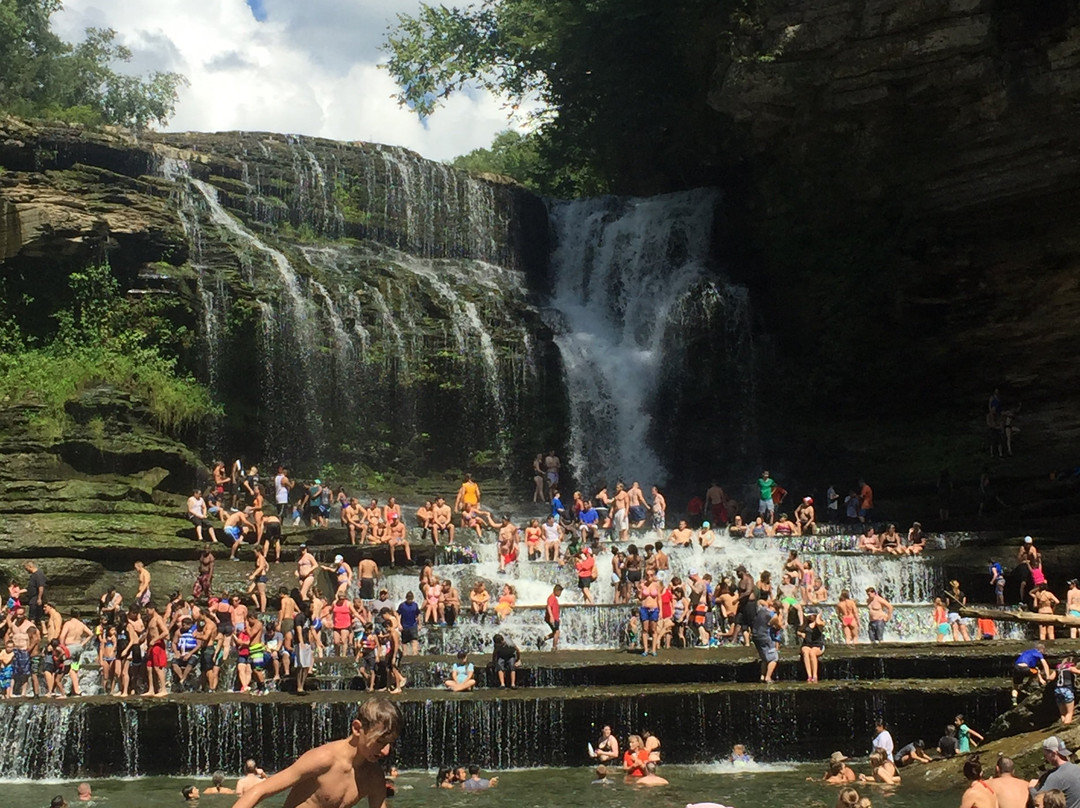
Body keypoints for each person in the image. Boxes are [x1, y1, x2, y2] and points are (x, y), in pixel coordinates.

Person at [231, 698, 400, 808]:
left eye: (390, 743)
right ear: (357, 728)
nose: (386, 751)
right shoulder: (324, 759)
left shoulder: (374, 776)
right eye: (380, 742)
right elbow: (260, 791)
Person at [1029, 736, 1080, 808]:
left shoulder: (1056, 777)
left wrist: (1031, 788)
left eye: (1045, 755)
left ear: (1053, 753)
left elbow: (1039, 800)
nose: (1045, 759)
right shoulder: (1076, 768)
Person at [798, 610, 826, 682]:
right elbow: (798, 631)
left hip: (817, 645)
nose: (810, 617)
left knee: (812, 653)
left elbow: (818, 623)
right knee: (806, 652)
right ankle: (809, 675)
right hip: (807, 644)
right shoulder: (806, 623)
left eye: (812, 615)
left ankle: (815, 675)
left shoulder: (821, 623)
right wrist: (801, 634)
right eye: (809, 615)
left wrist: (819, 616)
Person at [538, 584, 562, 651]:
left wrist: (558, 619)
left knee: (555, 632)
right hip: (552, 618)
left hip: (555, 618)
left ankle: (543, 639)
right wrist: (551, 617)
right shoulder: (551, 598)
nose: (560, 594)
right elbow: (548, 607)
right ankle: (554, 647)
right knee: (557, 632)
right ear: (557, 591)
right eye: (560, 592)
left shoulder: (554, 598)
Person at [1056, 658, 1080, 724]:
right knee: (1069, 713)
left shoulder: (1058, 669)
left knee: (1063, 714)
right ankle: (1066, 726)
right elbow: (1078, 672)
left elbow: (1050, 678)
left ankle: (1063, 723)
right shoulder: (1070, 667)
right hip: (1067, 690)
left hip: (1058, 690)